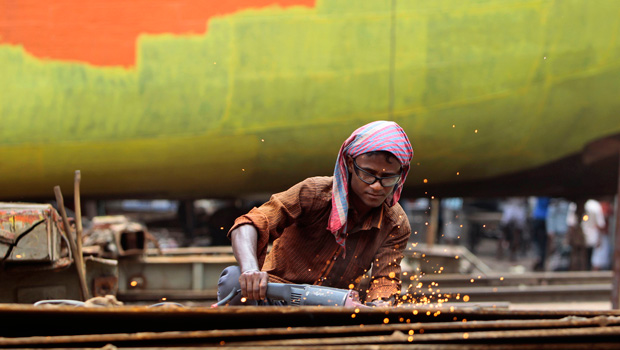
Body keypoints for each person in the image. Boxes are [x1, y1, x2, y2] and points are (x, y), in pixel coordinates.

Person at [217, 121, 414, 306]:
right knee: (234, 281)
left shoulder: (395, 222)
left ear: (401, 174)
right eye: (368, 174)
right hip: (275, 300)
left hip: (331, 309)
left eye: (388, 178)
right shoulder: (313, 193)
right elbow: (251, 223)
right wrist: (251, 269)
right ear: (350, 163)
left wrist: (380, 304)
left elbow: (385, 280)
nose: (377, 186)